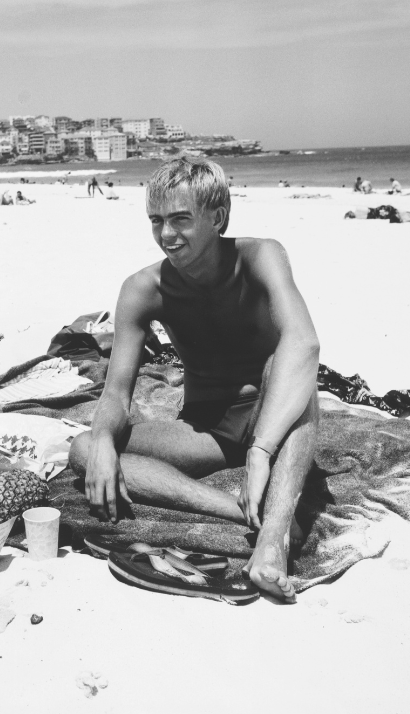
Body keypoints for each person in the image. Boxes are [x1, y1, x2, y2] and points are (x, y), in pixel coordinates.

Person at [68, 158, 322, 602]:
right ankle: (238, 510)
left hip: (273, 415)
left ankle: (272, 541)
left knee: (300, 380)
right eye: (157, 221)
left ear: (217, 217)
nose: (167, 234)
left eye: (181, 219)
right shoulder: (144, 288)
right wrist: (105, 442)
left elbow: (304, 343)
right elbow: (115, 393)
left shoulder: (259, 257)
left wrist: (262, 449)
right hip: (209, 430)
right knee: (84, 449)